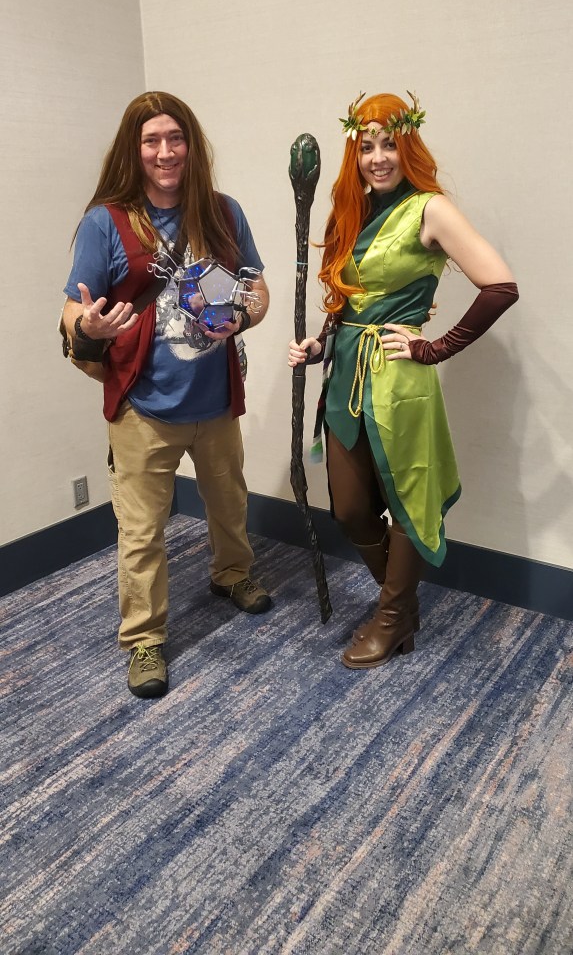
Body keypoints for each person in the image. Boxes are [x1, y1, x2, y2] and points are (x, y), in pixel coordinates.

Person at [288, 91, 518, 670]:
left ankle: (391, 617)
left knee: (409, 502)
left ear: (408, 144)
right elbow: (351, 300)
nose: (378, 157)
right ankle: (404, 604)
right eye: (366, 146)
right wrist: (321, 342)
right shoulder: (355, 210)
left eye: (390, 143)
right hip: (346, 374)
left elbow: (500, 286)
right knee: (349, 510)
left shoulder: (430, 209)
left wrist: (435, 347)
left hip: (397, 380)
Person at [62, 91, 271, 699]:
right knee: (141, 531)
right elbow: (74, 303)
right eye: (151, 141)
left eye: (174, 138)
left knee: (229, 503)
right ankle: (145, 638)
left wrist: (246, 317)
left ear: (191, 145)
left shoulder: (223, 213)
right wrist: (88, 325)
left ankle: (232, 574)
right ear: (135, 149)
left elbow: (255, 288)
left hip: (215, 397)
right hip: (142, 406)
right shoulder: (108, 220)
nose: (164, 152)